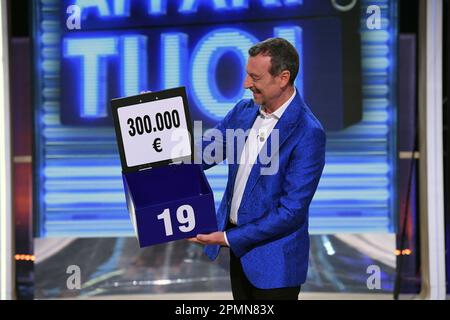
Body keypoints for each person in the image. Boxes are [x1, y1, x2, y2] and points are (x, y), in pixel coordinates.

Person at [188, 37, 326, 300]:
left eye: (255, 77)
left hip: (276, 266)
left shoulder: (308, 133)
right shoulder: (243, 111)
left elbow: (290, 212)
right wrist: (161, 123)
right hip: (240, 256)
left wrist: (228, 238)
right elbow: (203, 154)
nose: (246, 84)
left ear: (283, 77)